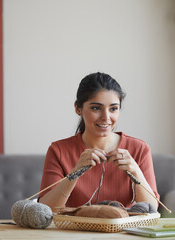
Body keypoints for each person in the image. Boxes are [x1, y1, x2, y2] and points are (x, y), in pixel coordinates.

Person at [38, 72, 159, 212]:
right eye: (96, 108)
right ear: (78, 108)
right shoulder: (58, 150)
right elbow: (45, 209)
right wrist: (75, 173)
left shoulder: (139, 149)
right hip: (72, 232)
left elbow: (152, 209)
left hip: (124, 233)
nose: (106, 117)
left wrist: (135, 171)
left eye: (113, 109)